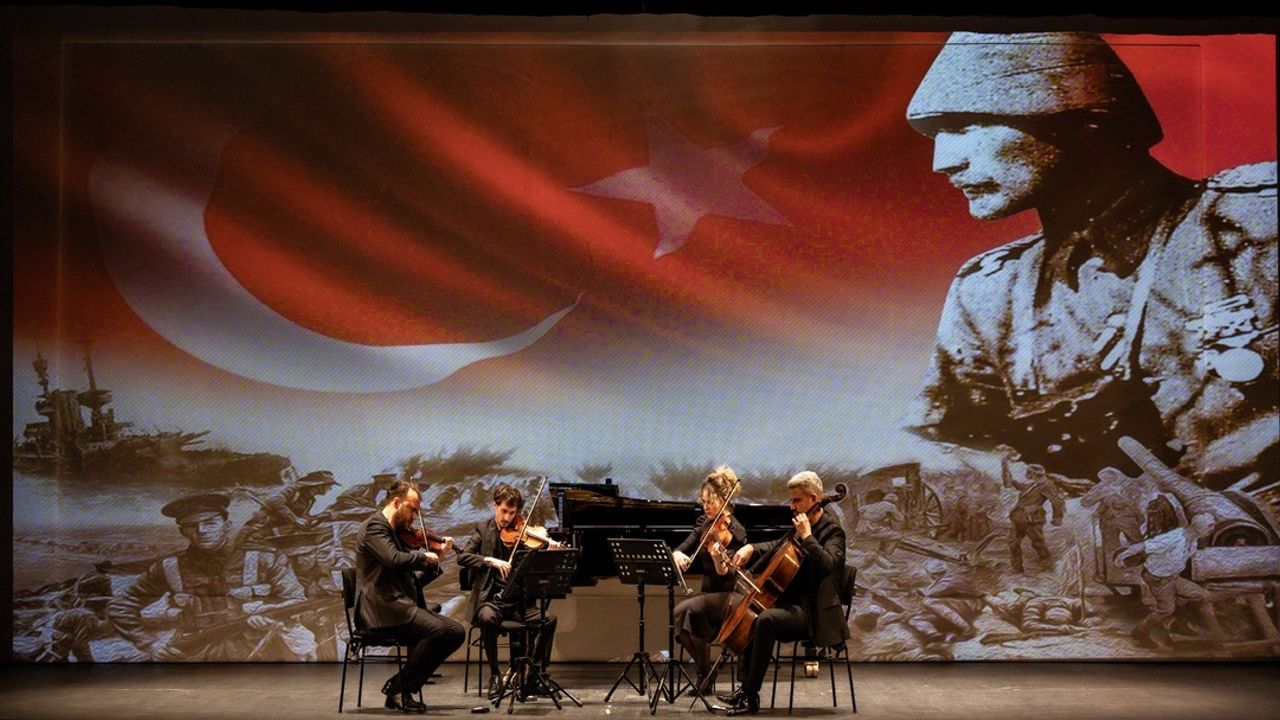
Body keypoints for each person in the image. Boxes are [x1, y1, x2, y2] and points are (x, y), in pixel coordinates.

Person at [902, 31, 1277, 489]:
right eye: (936, 133)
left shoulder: (1258, 224)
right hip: (1117, 549)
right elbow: (956, 441)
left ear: (1087, 121)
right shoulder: (987, 294)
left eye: (966, 126)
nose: (942, 161)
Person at [107, 493, 317, 661]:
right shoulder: (169, 566)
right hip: (192, 652)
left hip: (259, 650)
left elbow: (296, 602)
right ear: (183, 532)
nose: (201, 531)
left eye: (210, 523)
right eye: (192, 526)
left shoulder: (265, 558)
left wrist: (272, 616)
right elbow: (120, 606)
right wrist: (149, 644)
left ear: (227, 525)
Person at [719, 471, 848, 716]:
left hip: (815, 614)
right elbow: (777, 546)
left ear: (814, 498)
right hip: (795, 604)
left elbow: (829, 565)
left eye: (796, 500)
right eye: (791, 500)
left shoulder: (832, 531)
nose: (791, 505)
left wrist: (808, 536)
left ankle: (751, 696)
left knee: (765, 620)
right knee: (755, 613)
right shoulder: (801, 524)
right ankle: (745, 690)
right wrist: (750, 549)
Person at [355, 480, 464, 713]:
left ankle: (401, 687)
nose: (415, 516)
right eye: (412, 509)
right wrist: (425, 557)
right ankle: (400, 690)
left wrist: (439, 558)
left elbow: (412, 580)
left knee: (456, 632)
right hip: (382, 609)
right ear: (396, 502)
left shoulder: (395, 532)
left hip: (399, 605)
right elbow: (395, 559)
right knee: (437, 630)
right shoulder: (375, 527)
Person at [457, 483, 562, 700]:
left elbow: (536, 565)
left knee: (548, 620)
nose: (507, 517)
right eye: (504, 511)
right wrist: (490, 560)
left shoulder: (523, 534)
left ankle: (532, 675)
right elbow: (463, 557)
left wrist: (548, 548)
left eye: (512, 513)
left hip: (517, 603)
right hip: (491, 601)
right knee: (486, 618)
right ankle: (495, 675)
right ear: (495, 506)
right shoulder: (482, 529)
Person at [670, 465, 749, 695]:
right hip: (711, 592)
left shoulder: (735, 530)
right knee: (683, 618)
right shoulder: (705, 523)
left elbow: (729, 573)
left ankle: (706, 673)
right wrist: (678, 554)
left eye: (710, 501)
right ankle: (706, 672)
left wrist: (718, 562)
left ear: (725, 499)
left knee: (684, 611)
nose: (706, 507)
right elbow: (685, 545)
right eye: (703, 502)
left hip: (734, 594)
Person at [1115, 512, 1225, 649]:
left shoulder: (1193, 539)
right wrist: (1123, 556)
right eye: (1210, 526)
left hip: (1173, 577)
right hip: (1158, 579)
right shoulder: (1173, 538)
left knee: (1204, 596)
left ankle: (1178, 625)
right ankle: (1139, 633)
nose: (1212, 529)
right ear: (1200, 526)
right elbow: (1144, 545)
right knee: (1166, 610)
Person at [238, 470, 339, 546]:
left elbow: (302, 517)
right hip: (265, 525)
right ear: (319, 485)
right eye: (328, 485)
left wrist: (316, 518)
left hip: (283, 528)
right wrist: (295, 520)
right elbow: (274, 501)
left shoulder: (310, 500)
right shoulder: (293, 490)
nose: (330, 488)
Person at [1007, 464, 1066, 574]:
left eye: (1028, 472)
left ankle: (1049, 567)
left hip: (1032, 519)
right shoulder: (1033, 484)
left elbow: (1057, 501)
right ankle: (1017, 569)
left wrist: (1057, 517)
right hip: (1018, 518)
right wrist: (1008, 474)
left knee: (1038, 543)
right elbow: (1021, 487)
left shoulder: (1048, 485)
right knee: (1012, 544)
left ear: (1035, 473)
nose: (1026, 474)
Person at [857, 489, 904, 569]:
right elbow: (900, 519)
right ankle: (885, 556)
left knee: (885, 531)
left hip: (862, 528)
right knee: (897, 536)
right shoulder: (888, 505)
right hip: (873, 529)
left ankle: (880, 554)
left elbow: (860, 511)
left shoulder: (866, 507)